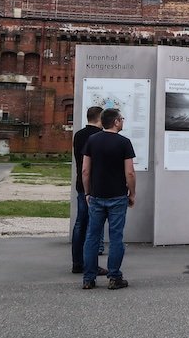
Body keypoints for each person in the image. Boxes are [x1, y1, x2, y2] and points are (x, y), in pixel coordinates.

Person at [81, 108, 136, 290]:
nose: (123, 121)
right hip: (118, 196)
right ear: (116, 122)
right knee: (116, 238)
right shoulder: (124, 143)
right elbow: (129, 172)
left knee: (92, 237)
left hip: (96, 196)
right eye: (122, 118)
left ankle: (88, 278)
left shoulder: (92, 140)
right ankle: (114, 277)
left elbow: (85, 170)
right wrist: (132, 193)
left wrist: (88, 193)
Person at [71, 106, 107, 275]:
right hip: (95, 186)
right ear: (100, 118)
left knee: (80, 224)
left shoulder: (78, 135)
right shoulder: (99, 137)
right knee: (93, 227)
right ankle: (90, 264)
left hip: (81, 184)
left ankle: (77, 262)